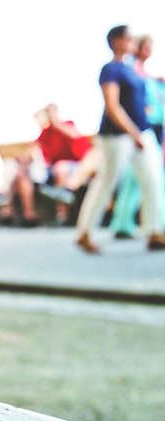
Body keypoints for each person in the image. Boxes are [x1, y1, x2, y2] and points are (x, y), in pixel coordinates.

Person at [75, 25, 165, 254]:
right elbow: (112, 106)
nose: (132, 41)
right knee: (107, 181)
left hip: (142, 133)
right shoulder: (111, 69)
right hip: (118, 136)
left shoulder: (131, 69)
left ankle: (154, 230)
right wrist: (133, 132)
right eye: (128, 37)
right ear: (116, 40)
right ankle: (85, 231)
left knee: (153, 180)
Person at [110, 35, 165, 239]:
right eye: (146, 46)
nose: (149, 50)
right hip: (142, 129)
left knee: (142, 178)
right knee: (149, 178)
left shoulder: (145, 74)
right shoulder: (129, 70)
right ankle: (152, 226)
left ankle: (126, 223)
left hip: (152, 128)